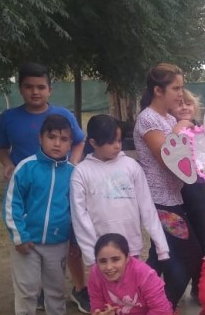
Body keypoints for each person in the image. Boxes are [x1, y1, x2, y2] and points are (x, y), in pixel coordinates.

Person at [0, 62, 88, 313]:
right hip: (29, 191)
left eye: (41, 87)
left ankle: (80, 288)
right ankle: (38, 291)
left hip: (59, 186)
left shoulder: (63, 115)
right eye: (29, 87)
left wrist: (73, 166)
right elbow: (0, 148)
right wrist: (7, 164)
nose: (35, 92)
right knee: (31, 240)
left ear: (50, 89)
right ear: (20, 88)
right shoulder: (8, 118)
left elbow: (79, 141)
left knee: (67, 238)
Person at [2, 114, 80, 315]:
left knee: (56, 287)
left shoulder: (73, 173)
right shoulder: (26, 168)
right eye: (51, 137)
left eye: (64, 139)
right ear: (40, 138)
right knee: (26, 287)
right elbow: (12, 204)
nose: (57, 143)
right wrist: (20, 236)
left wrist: (76, 239)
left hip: (58, 242)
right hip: (28, 243)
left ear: (70, 143)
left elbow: (78, 209)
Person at [134, 63, 203, 315]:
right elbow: (166, 156)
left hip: (172, 198)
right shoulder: (148, 119)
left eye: (181, 87)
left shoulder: (166, 118)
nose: (180, 93)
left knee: (158, 258)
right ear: (158, 90)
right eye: (175, 88)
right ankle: (165, 311)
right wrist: (181, 127)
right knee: (190, 255)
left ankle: (137, 307)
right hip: (160, 201)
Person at [70, 114, 169, 267]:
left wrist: (161, 247)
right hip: (102, 253)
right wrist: (90, 254)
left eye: (119, 140)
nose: (117, 146)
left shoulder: (131, 166)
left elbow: (147, 207)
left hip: (131, 247)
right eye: (111, 142)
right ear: (93, 142)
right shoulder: (81, 172)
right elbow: (80, 217)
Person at [170, 89, 205, 305]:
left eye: (189, 103)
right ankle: (174, 285)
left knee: (200, 238)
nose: (184, 107)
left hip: (197, 193)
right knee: (179, 242)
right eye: (180, 104)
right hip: (175, 193)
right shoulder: (169, 131)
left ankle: (198, 284)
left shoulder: (202, 131)